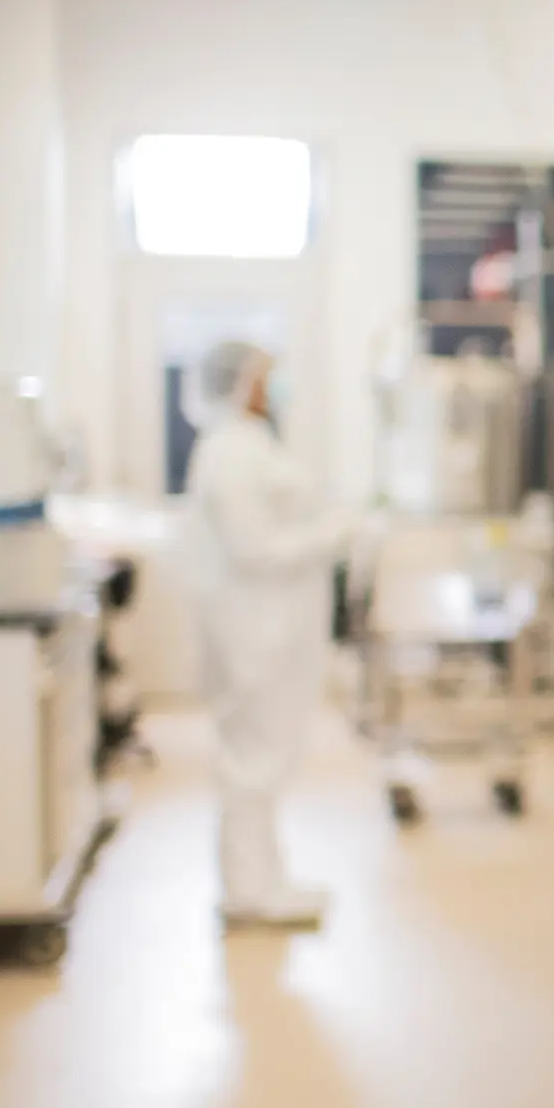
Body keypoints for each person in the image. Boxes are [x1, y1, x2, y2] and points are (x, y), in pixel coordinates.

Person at [184, 342, 356, 929]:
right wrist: (333, 534)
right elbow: (253, 547)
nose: (274, 387)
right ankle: (248, 892)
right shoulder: (230, 453)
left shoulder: (249, 446)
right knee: (252, 759)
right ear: (239, 385)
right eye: (265, 377)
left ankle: (265, 880)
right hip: (254, 629)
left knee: (265, 758)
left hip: (271, 625)